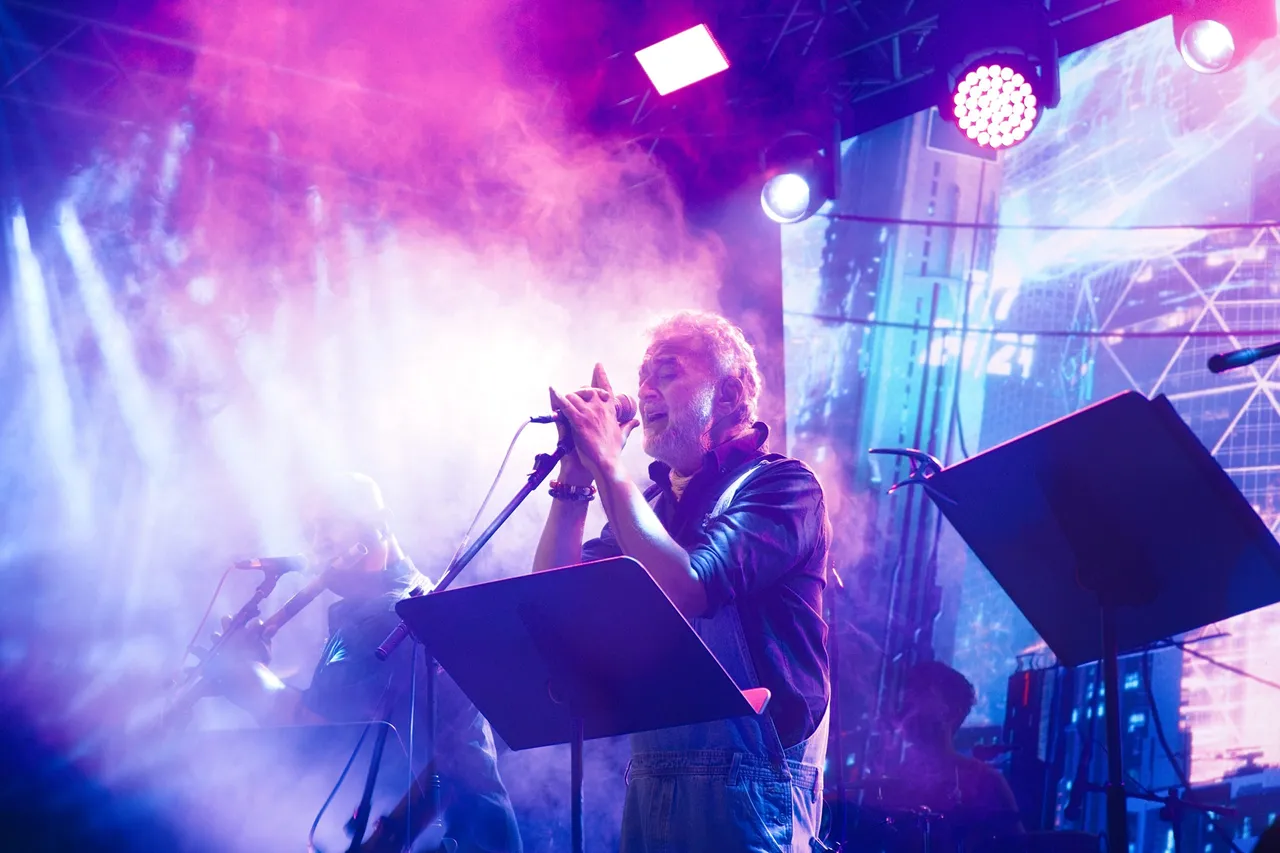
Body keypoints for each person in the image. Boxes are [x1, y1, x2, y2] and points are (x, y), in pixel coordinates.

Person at [532, 310, 831, 852]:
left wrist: (609, 467)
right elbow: (554, 602)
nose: (643, 389)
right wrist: (576, 480)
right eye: (642, 374)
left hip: (751, 785)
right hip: (652, 778)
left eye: (667, 373)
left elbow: (687, 586)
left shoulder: (784, 488)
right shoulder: (645, 507)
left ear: (730, 394)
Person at [206, 472, 522, 853]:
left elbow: (315, 732)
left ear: (380, 524)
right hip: (440, 834)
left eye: (330, 524)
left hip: (457, 839)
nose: (318, 542)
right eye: (310, 531)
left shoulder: (390, 616)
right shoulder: (383, 607)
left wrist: (245, 674)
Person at [888, 660, 1024, 845]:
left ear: (951, 713)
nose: (909, 699)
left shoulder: (986, 782)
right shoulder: (891, 778)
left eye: (922, 691)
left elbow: (1016, 848)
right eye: (910, 690)